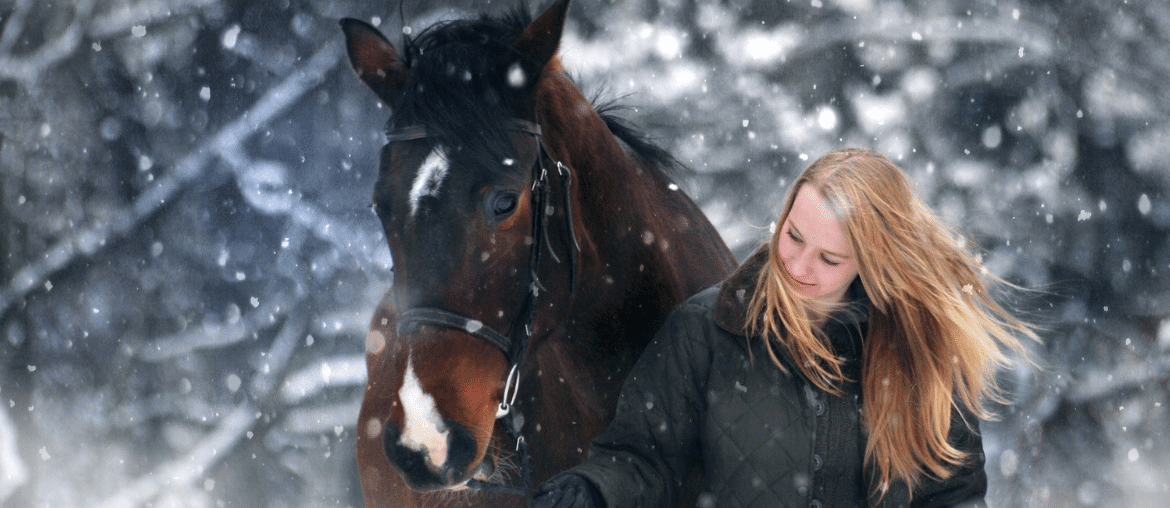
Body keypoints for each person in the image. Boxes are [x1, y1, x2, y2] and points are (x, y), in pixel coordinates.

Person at [530, 148, 1037, 508]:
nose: (797, 266)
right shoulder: (704, 332)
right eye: (793, 236)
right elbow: (643, 459)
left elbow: (953, 494)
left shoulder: (919, 358)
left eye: (829, 258)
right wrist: (595, 490)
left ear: (871, 264)